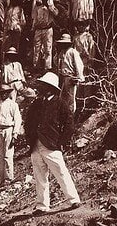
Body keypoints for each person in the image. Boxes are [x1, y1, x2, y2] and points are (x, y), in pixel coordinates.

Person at [24, 72, 81, 214]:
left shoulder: (60, 103)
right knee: (40, 176)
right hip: (36, 145)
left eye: (43, 85)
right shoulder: (36, 103)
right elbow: (28, 122)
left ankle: (73, 199)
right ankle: (42, 205)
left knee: (61, 171)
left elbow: (69, 124)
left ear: (50, 87)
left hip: (51, 144)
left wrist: (60, 142)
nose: (40, 87)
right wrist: (30, 138)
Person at [0, 84, 22, 188]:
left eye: (5, 93)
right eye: (1, 93)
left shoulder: (13, 105)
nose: (3, 95)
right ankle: (2, 179)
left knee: (8, 155)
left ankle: (9, 178)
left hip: (9, 130)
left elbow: (17, 120)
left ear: (8, 93)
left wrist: (15, 134)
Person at [30, 0, 58, 70]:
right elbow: (34, 14)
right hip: (38, 27)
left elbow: (55, 12)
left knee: (48, 49)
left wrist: (47, 4)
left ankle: (47, 67)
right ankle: (36, 66)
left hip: (47, 27)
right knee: (36, 48)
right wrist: (33, 26)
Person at [57, 32, 85, 112]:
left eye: (65, 43)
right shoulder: (62, 52)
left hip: (70, 77)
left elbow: (79, 65)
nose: (63, 45)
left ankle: (71, 116)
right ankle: (63, 116)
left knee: (71, 99)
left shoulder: (73, 52)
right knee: (62, 98)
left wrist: (79, 77)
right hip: (62, 77)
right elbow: (58, 64)